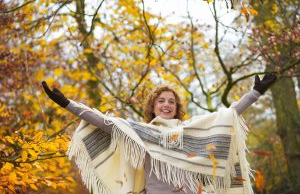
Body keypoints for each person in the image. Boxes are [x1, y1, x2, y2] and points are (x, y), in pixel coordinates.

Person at [42, 73, 276, 194]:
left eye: (171, 102)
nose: (166, 105)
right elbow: (106, 123)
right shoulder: (140, 133)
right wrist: (67, 104)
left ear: (177, 107)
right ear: (152, 107)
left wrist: (255, 93)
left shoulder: (190, 131)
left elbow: (226, 117)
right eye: (161, 101)